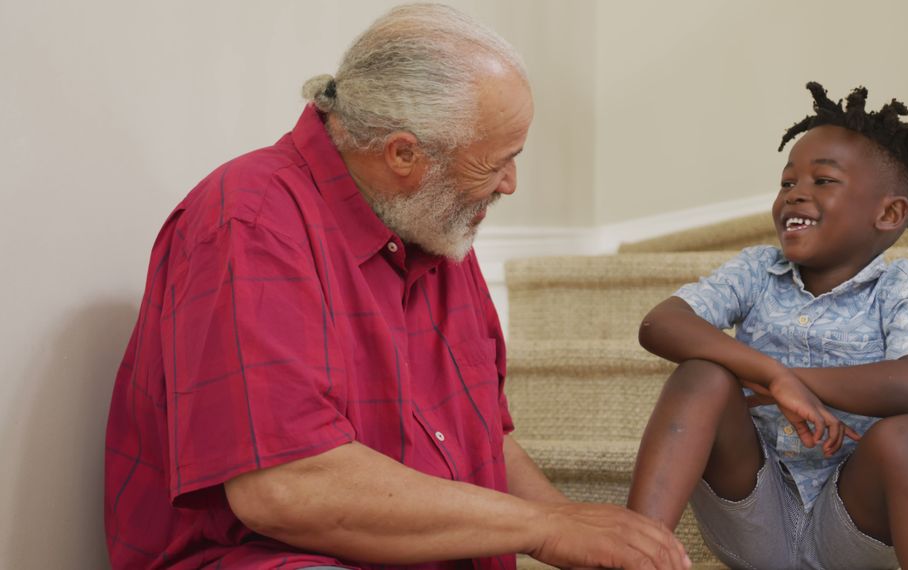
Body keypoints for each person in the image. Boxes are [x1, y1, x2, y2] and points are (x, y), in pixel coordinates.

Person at [103, 4, 689, 569]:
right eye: (496, 162)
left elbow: (486, 442)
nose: (510, 183)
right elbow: (284, 487)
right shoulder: (249, 224)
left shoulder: (432, 220)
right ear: (404, 153)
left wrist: (580, 531)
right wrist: (545, 527)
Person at [627, 82, 908, 570]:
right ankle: (631, 553)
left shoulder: (901, 286)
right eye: (788, 183)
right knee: (701, 375)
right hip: (752, 510)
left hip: (850, 520)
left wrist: (791, 380)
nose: (795, 195)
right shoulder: (756, 270)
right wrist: (772, 374)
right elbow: (661, 323)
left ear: (889, 213)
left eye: (823, 181)